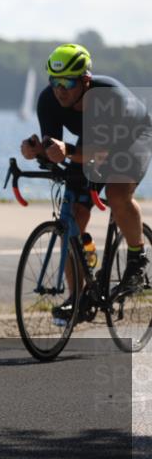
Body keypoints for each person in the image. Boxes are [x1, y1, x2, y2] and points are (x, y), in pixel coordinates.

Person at [20, 43, 151, 321]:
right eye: (54, 81)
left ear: (85, 80)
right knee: (73, 218)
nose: (60, 90)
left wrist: (67, 150)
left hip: (132, 138)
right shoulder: (48, 100)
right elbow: (54, 148)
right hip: (92, 141)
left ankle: (137, 259)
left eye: (67, 82)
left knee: (117, 194)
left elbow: (101, 153)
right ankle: (78, 298)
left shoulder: (108, 97)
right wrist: (38, 151)